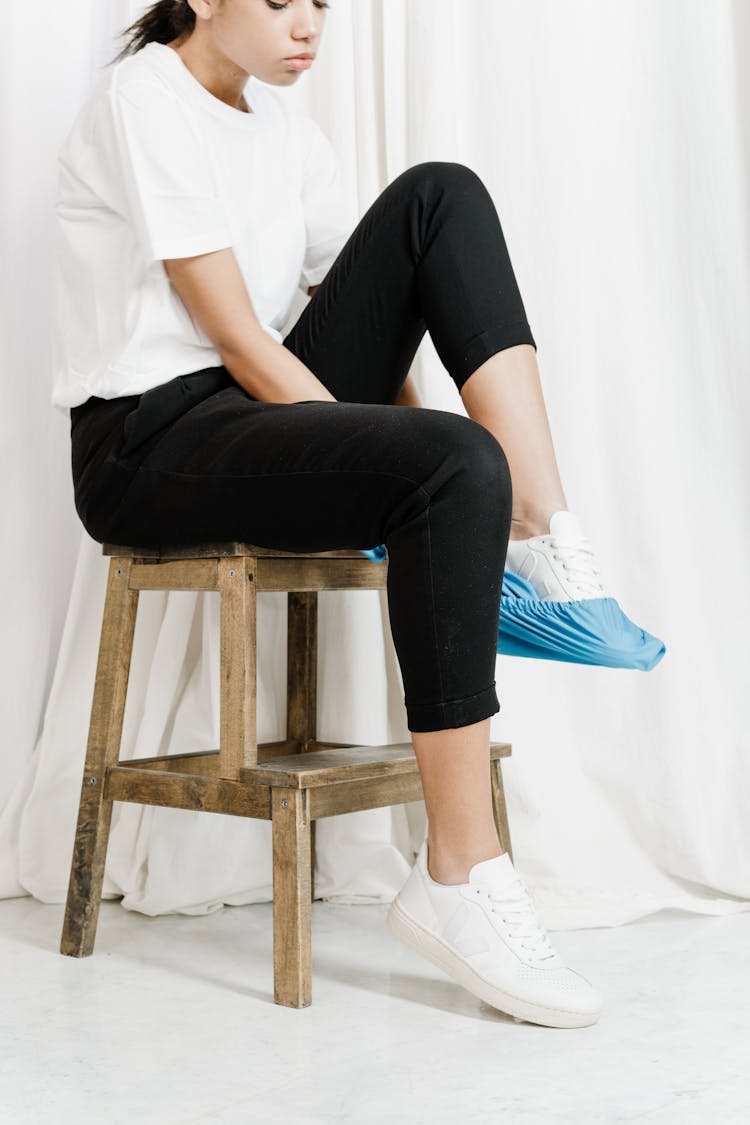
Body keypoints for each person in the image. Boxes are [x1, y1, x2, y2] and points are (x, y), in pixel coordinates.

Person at [52, 0, 604, 1028]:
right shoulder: (145, 99)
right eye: (281, 1)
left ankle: (544, 525)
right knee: (446, 461)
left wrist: (446, 472)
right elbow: (244, 345)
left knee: (440, 197)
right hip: (150, 443)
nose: (310, 25)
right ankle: (458, 873)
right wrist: (406, 468)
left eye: (323, 5)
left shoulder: (289, 132)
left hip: (257, 415)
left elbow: (368, 334)